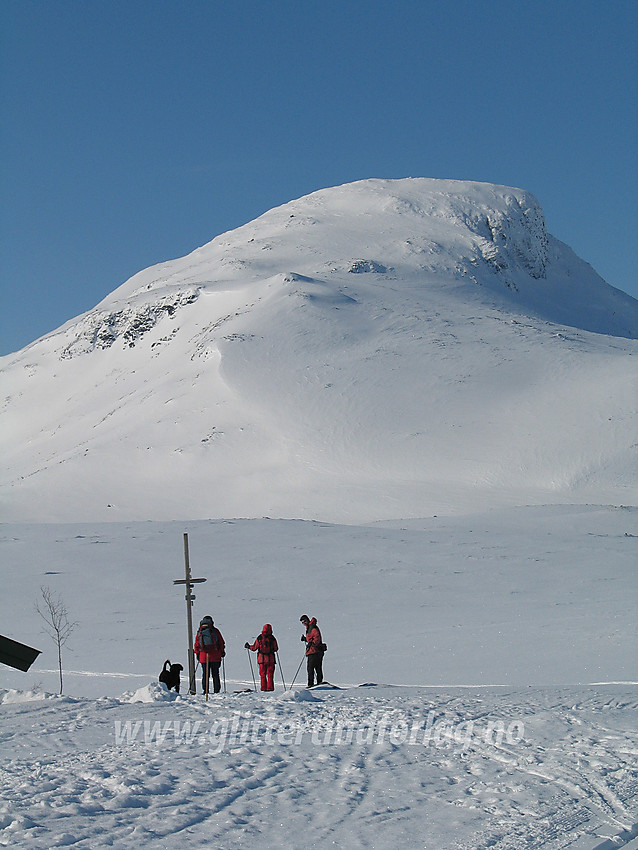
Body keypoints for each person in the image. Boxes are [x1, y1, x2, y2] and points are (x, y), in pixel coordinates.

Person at [194, 615, 225, 695]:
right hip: (215, 656)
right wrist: (222, 652)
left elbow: (197, 644)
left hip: (203, 656)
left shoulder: (200, 631)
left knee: (205, 674)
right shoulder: (215, 631)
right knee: (215, 673)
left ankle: (205, 690)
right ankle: (217, 690)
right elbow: (221, 642)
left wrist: (198, 654)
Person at [244, 623, 278, 691]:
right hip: (270, 659)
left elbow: (254, 648)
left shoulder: (260, 637)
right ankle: (270, 689)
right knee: (270, 675)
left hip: (261, 660)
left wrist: (248, 646)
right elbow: (276, 648)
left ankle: (263, 689)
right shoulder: (272, 638)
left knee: (263, 675)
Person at [300, 614, 324, 688]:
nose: (304, 623)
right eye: (302, 622)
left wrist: (311, 643)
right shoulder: (309, 628)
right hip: (313, 651)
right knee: (315, 668)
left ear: (307, 620)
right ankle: (316, 682)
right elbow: (312, 638)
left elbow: (317, 638)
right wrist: (306, 639)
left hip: (315, 651)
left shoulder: (313, 628)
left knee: (312, 668)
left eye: (304, 621)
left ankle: (311, 684)